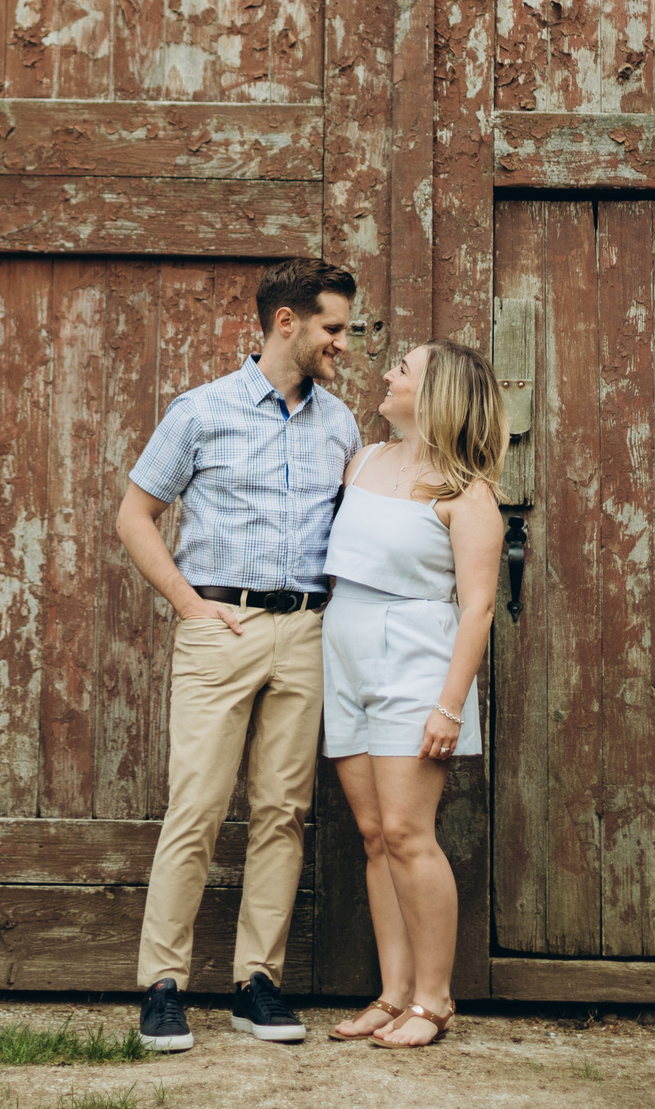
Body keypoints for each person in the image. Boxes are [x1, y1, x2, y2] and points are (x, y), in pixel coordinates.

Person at [117, 258, 364, 1054]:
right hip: (221, 627)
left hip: (306, 631)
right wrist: (191, 604)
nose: (345, 344)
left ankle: (257, 980)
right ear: (285, 322)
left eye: (348, 330)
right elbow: (136, 515)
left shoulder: (341, 422)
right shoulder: (202, 410)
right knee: (196, 805)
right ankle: (162, 985)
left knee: (283, 812)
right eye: (334, 327)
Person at [320, 340, 503, 1050]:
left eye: (404, 367)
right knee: (373, 836)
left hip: (416, 668)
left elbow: (479, 607)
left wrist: (449, 704)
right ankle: (393, 993)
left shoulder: (467, 494)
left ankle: (434, 998)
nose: (388, 372)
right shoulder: (362, 460)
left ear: (438, 395)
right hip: (348, 658)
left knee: (407, 831)